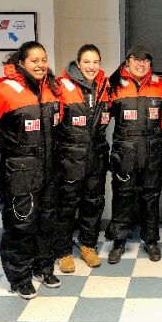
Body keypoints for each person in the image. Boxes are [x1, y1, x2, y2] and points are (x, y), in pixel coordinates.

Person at [0, 41, 62, 299]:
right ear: (21, 63)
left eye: (44, 59)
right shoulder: (4, 90)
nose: (41, 64)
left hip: (48, 170)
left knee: (46, 222)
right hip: (19, 172)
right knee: (21, 225)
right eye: (34, 60)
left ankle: (43, 267)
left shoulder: (52, 89)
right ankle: (19, 277)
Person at [106, 46, 162, 264]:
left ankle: (151, 241)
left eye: (146, 61)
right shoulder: (114, 85)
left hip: (153, 153)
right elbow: (103, 117)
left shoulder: (160, 86)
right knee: (123, 197)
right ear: (128, 62)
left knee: (151, 198)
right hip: (125, 155)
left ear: (150, 64)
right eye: (136, 60)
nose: (141, 64)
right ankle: (119, 241)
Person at [54, 44, 110, 273]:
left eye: (96, 62)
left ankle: (88, 245)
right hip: (70, 158)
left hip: (96, 156)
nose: (91, 66)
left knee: (93, 203)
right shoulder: (61, 86)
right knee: (66, 206)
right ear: (78, 64)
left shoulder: (105, 86)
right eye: (87, 62)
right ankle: (63, 251)